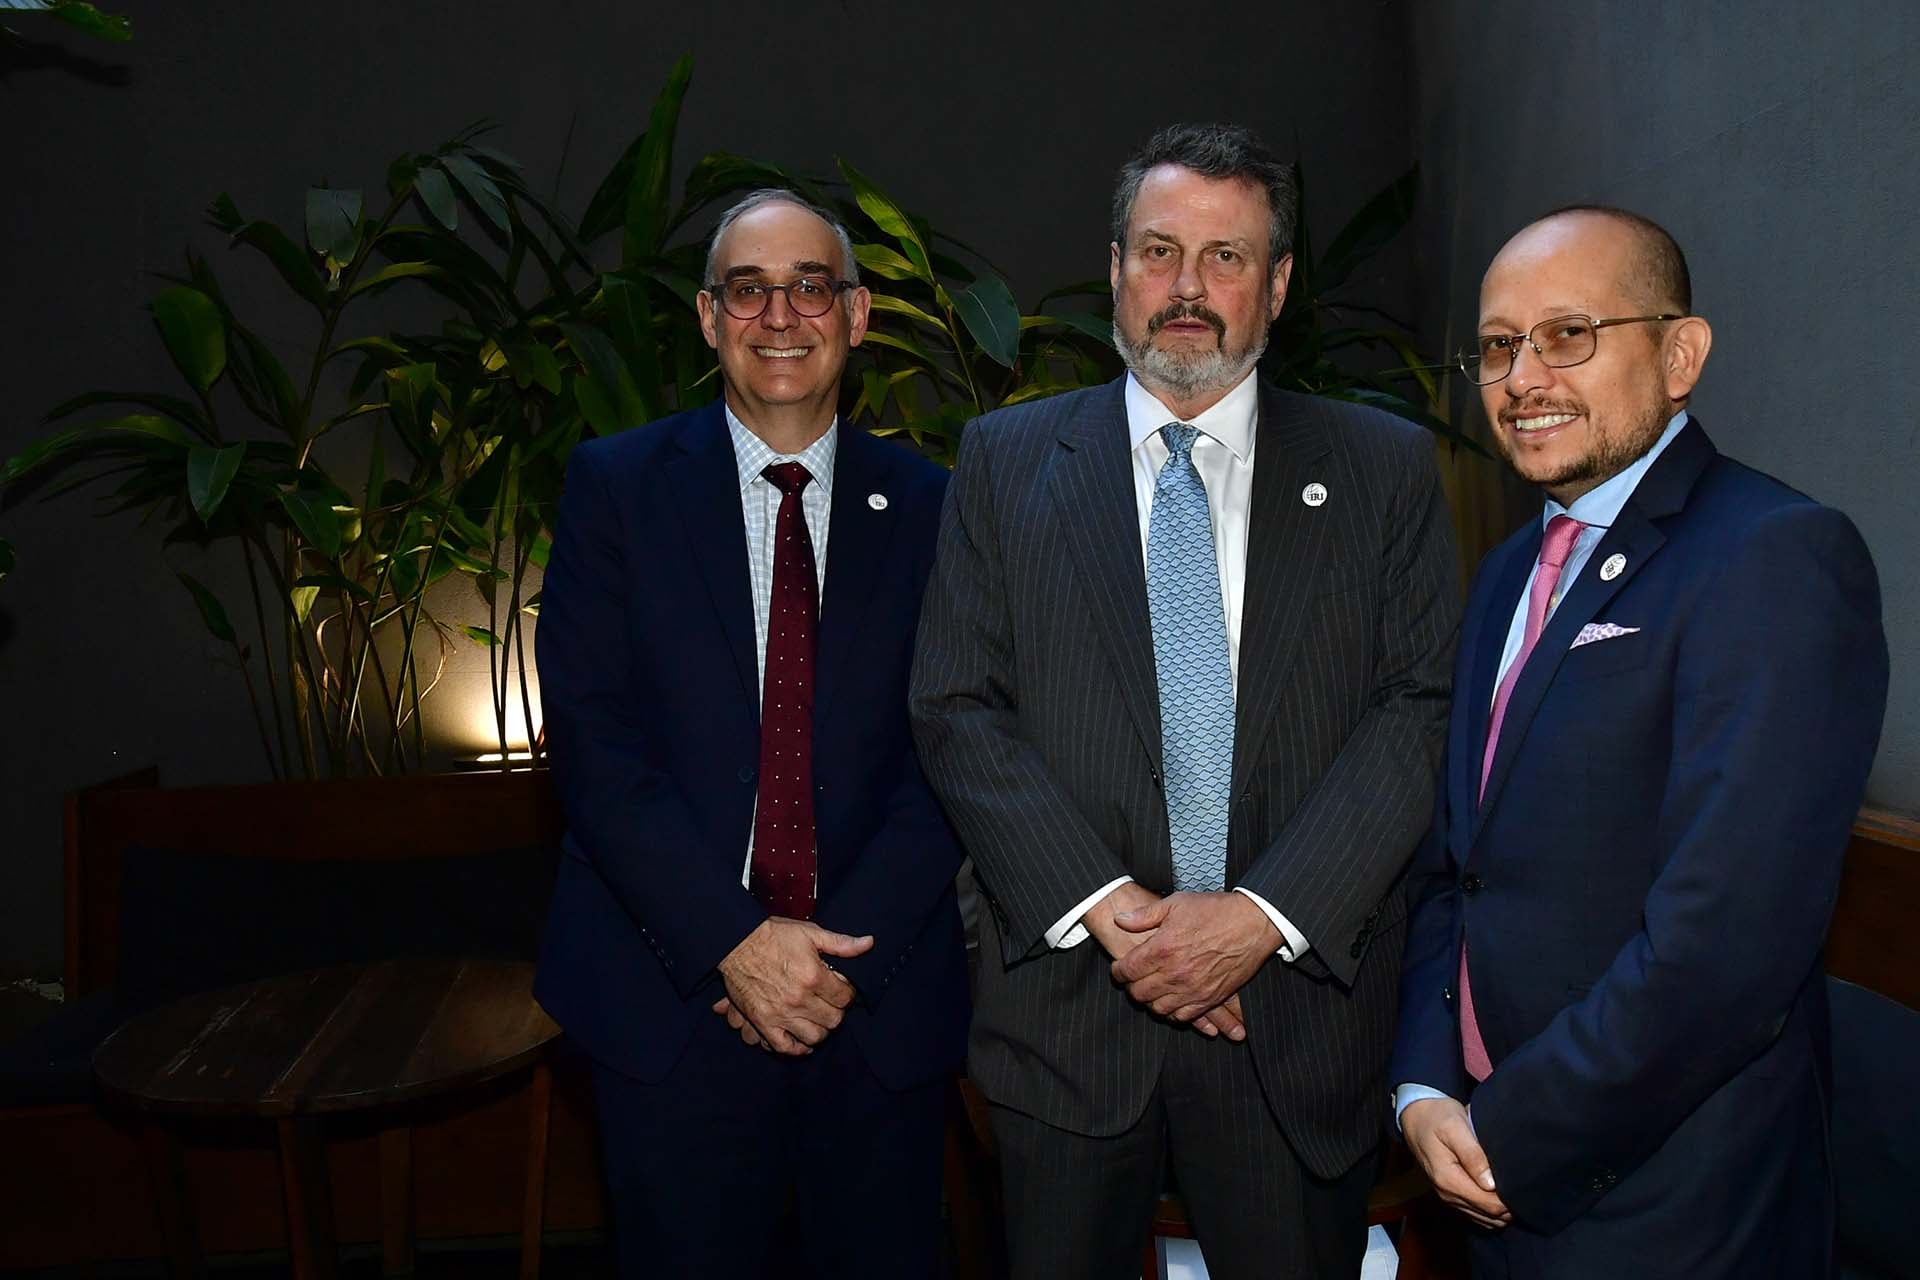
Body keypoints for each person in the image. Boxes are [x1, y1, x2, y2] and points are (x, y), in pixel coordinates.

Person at [909, 122, 1459, 1280]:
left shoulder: (1384, 468)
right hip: (1069, 1012)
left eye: (1227, 256)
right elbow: (957, 702)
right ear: (1114, 267)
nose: (1189, 289)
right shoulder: (1005, 462)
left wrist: (1257, 918)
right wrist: (1121, 915)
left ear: (1280, 284)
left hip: (1290, 1021)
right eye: (1159, 251)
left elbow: (1418, 709)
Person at [1391, 206, 1888, 1278]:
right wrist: (1426, 1086)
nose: (1522, 376)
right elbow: (1454, 866)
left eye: (1568, 333)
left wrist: (1513, 1130)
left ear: (1680, 354)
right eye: (1495, 345)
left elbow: (1725, 946)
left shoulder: (1775, 556)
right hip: (1488, 1172)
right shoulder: (1503, 577)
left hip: (1670, 1201)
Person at [533, 189, 968, 1279]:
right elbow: (594, 743)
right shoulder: (615, 488)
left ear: (858, 315)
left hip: (872, 1008)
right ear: (707, 316)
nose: (782, 315)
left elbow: (957, 751)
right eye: (749, 289)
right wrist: (734, 939)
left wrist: (830, 964)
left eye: (811, 285)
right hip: (668, 1001)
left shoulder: (937, 506)